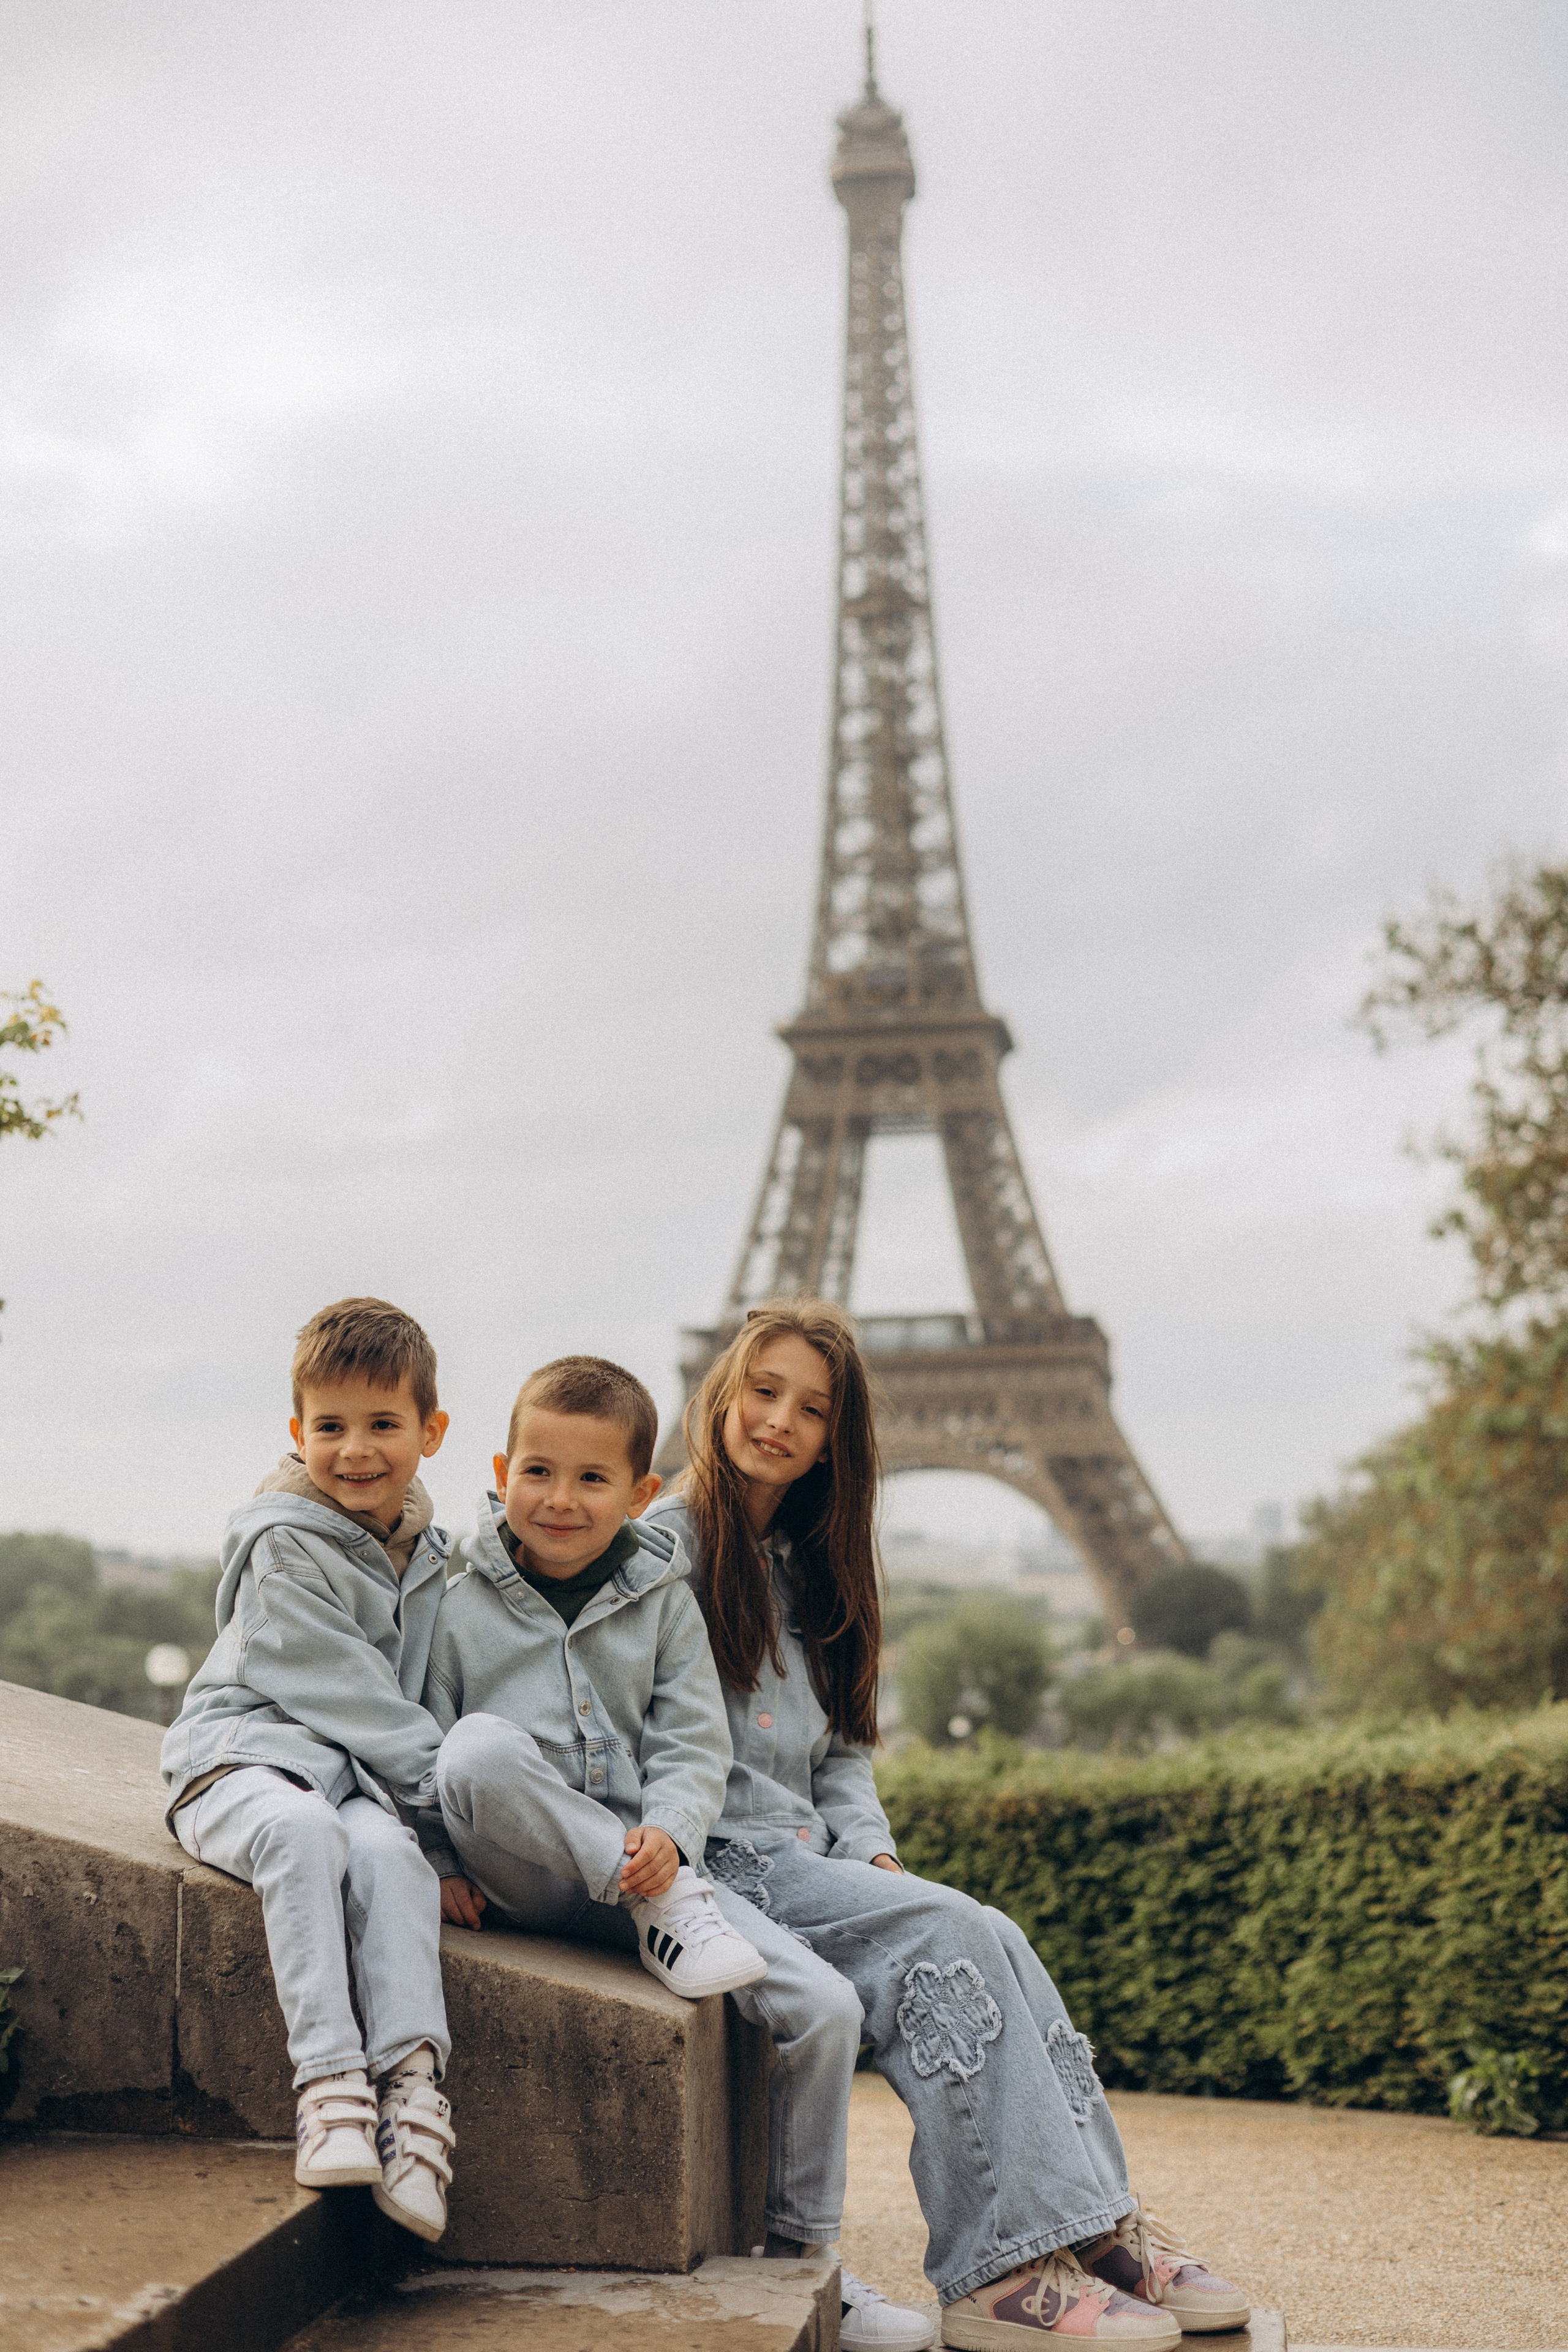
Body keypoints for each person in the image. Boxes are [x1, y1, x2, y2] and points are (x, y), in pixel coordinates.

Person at [646, 1300, 1253, 2352]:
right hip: (718, 1861)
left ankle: (1100, 2232)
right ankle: (1001, 2272)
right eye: (764, 1390)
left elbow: (842, 1756)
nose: (781, 1420)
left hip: (801, 1859)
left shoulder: (808, 1565)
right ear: (722, 1390)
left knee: (992, 1929)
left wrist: (873, 1850)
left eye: (813, 1408)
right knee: (953, 1933)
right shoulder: (660, 1550)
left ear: (839, 1437)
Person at [160, 1297, 458, 2244]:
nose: (355, 1449)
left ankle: (412, 2096)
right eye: (330, 1427)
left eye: (382, 1425)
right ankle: (330, 2083)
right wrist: (451, 1816)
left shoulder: (424, 1553)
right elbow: (363, 1705)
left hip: (349, 1777)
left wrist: (437, 1848)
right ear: (298, 1432)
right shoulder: (285, 1543)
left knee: (392, 1862)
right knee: (304, 1834)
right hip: (238, 1764)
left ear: (431, 1433)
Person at [420, 1353, 766, 2000]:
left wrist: (670, 1830)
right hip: (515, 1878)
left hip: (644, 1868)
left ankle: (654, 1899)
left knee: (809, 1997)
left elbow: (691, 1740)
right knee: (473, 1749)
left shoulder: (665, 1605)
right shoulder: (456, 1612)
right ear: (503, 1474)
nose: (560, 1499)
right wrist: (438, 1863)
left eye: (592, 1479)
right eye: (538, 1472)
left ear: (641, 1495)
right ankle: (657, 1900)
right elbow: (420, 1754)